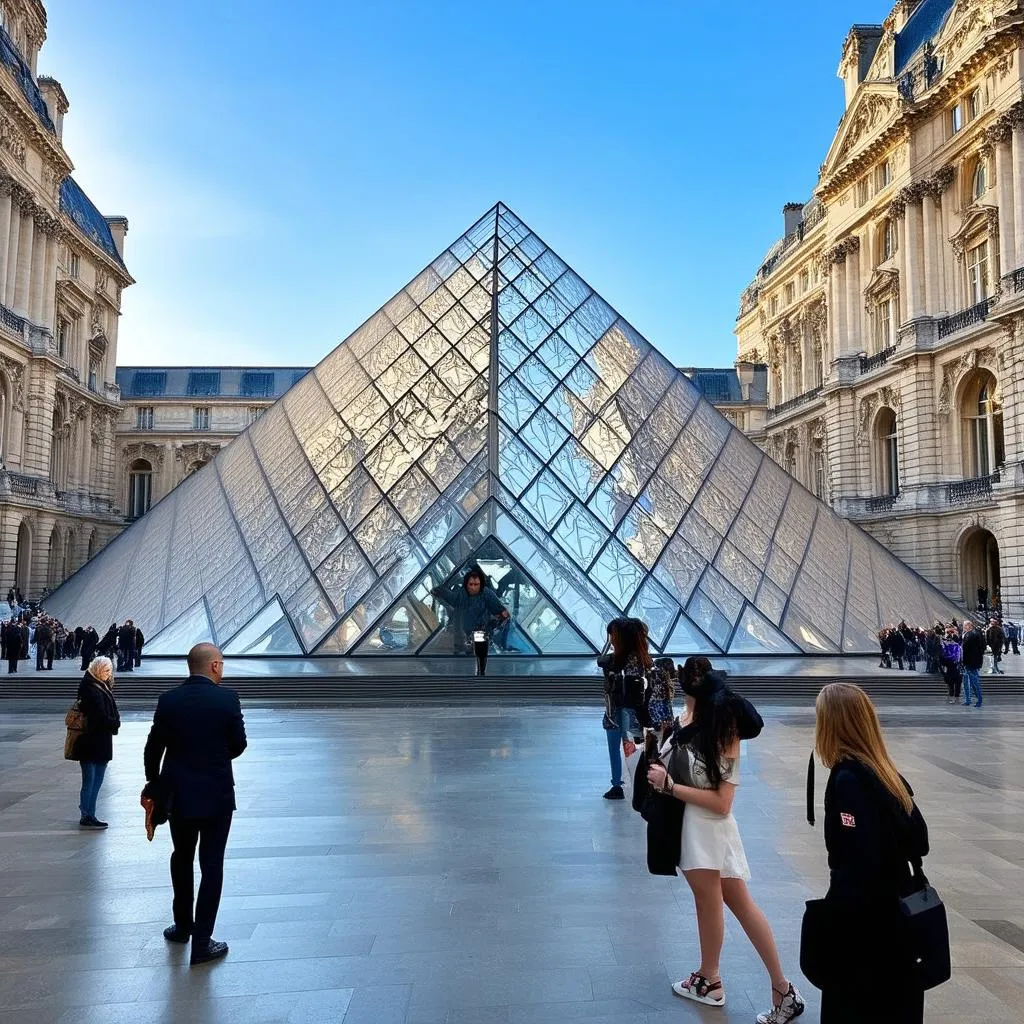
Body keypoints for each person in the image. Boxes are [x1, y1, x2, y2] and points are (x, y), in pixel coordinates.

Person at [646, 657, 804, 1023]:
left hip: (705, 829)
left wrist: (669, 786)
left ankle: (711, 979)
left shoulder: (721, 730)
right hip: (703, 827)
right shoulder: (691, 722)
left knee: (710, 903)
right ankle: (782, 989)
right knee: (740, 905)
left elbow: (721, 802)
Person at [811, 683, 930, 1022]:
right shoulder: (885, 771)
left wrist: (836, 916)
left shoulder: (849, 778)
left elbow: (860, 859)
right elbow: (919, 840)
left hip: (864, 928)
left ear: (833, 724)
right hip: (897, 916)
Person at [143, 643, 247, 967]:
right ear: (215, 666)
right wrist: (213, 758)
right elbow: (239, 745)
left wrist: (156, 783)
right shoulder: (227, 699)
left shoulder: (169, 700)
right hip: (216, 795)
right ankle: (203, 941)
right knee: (212, 864)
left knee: (182, 857)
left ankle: (182, 926)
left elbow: (152, 749)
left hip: (180, 795)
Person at [597, 617, 647, 800]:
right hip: (630, 710)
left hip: (616, 709)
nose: (611, 639)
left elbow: (601, 661)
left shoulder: (615, 660)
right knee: (631, 748)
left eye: (613, 635)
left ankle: (618, 784)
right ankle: (634, 782)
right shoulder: (640, 658)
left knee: (618, 748)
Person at [430, 564, 509, 676]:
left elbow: (502, 613)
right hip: (464, 632)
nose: (473, 587)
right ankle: (469, 675)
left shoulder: (486, 594)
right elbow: (451, 598)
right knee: (465, 657)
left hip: (480, 630)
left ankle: (480, 673)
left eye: (476, 584)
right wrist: (439, 591)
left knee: (479, 657)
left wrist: (492, 626)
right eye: (470, 584)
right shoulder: (462, 594)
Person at [71, 656, 120, 828]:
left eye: (110, 671)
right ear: (98, 669)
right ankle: (87, 814)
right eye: (106, 671)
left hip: (101, 740)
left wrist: (114, 721)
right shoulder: (90, 688)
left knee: (97, 779)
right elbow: (99, 715)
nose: (109, 674)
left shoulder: (101, 686)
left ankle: (89, 812)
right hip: (91, 740)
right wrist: (114, 723)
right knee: (90, 779)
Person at [960, 621, 984, 708]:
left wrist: (964, 662)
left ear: (969, 626)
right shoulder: (976, 634)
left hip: (969, 662)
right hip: (974, 662)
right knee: (970, 681)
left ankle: (977, 700)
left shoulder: (968, 635)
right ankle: (969, 700)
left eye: (964, 626)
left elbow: (966, 650)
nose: (963, 627)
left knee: (973, 682)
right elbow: (982, 648)